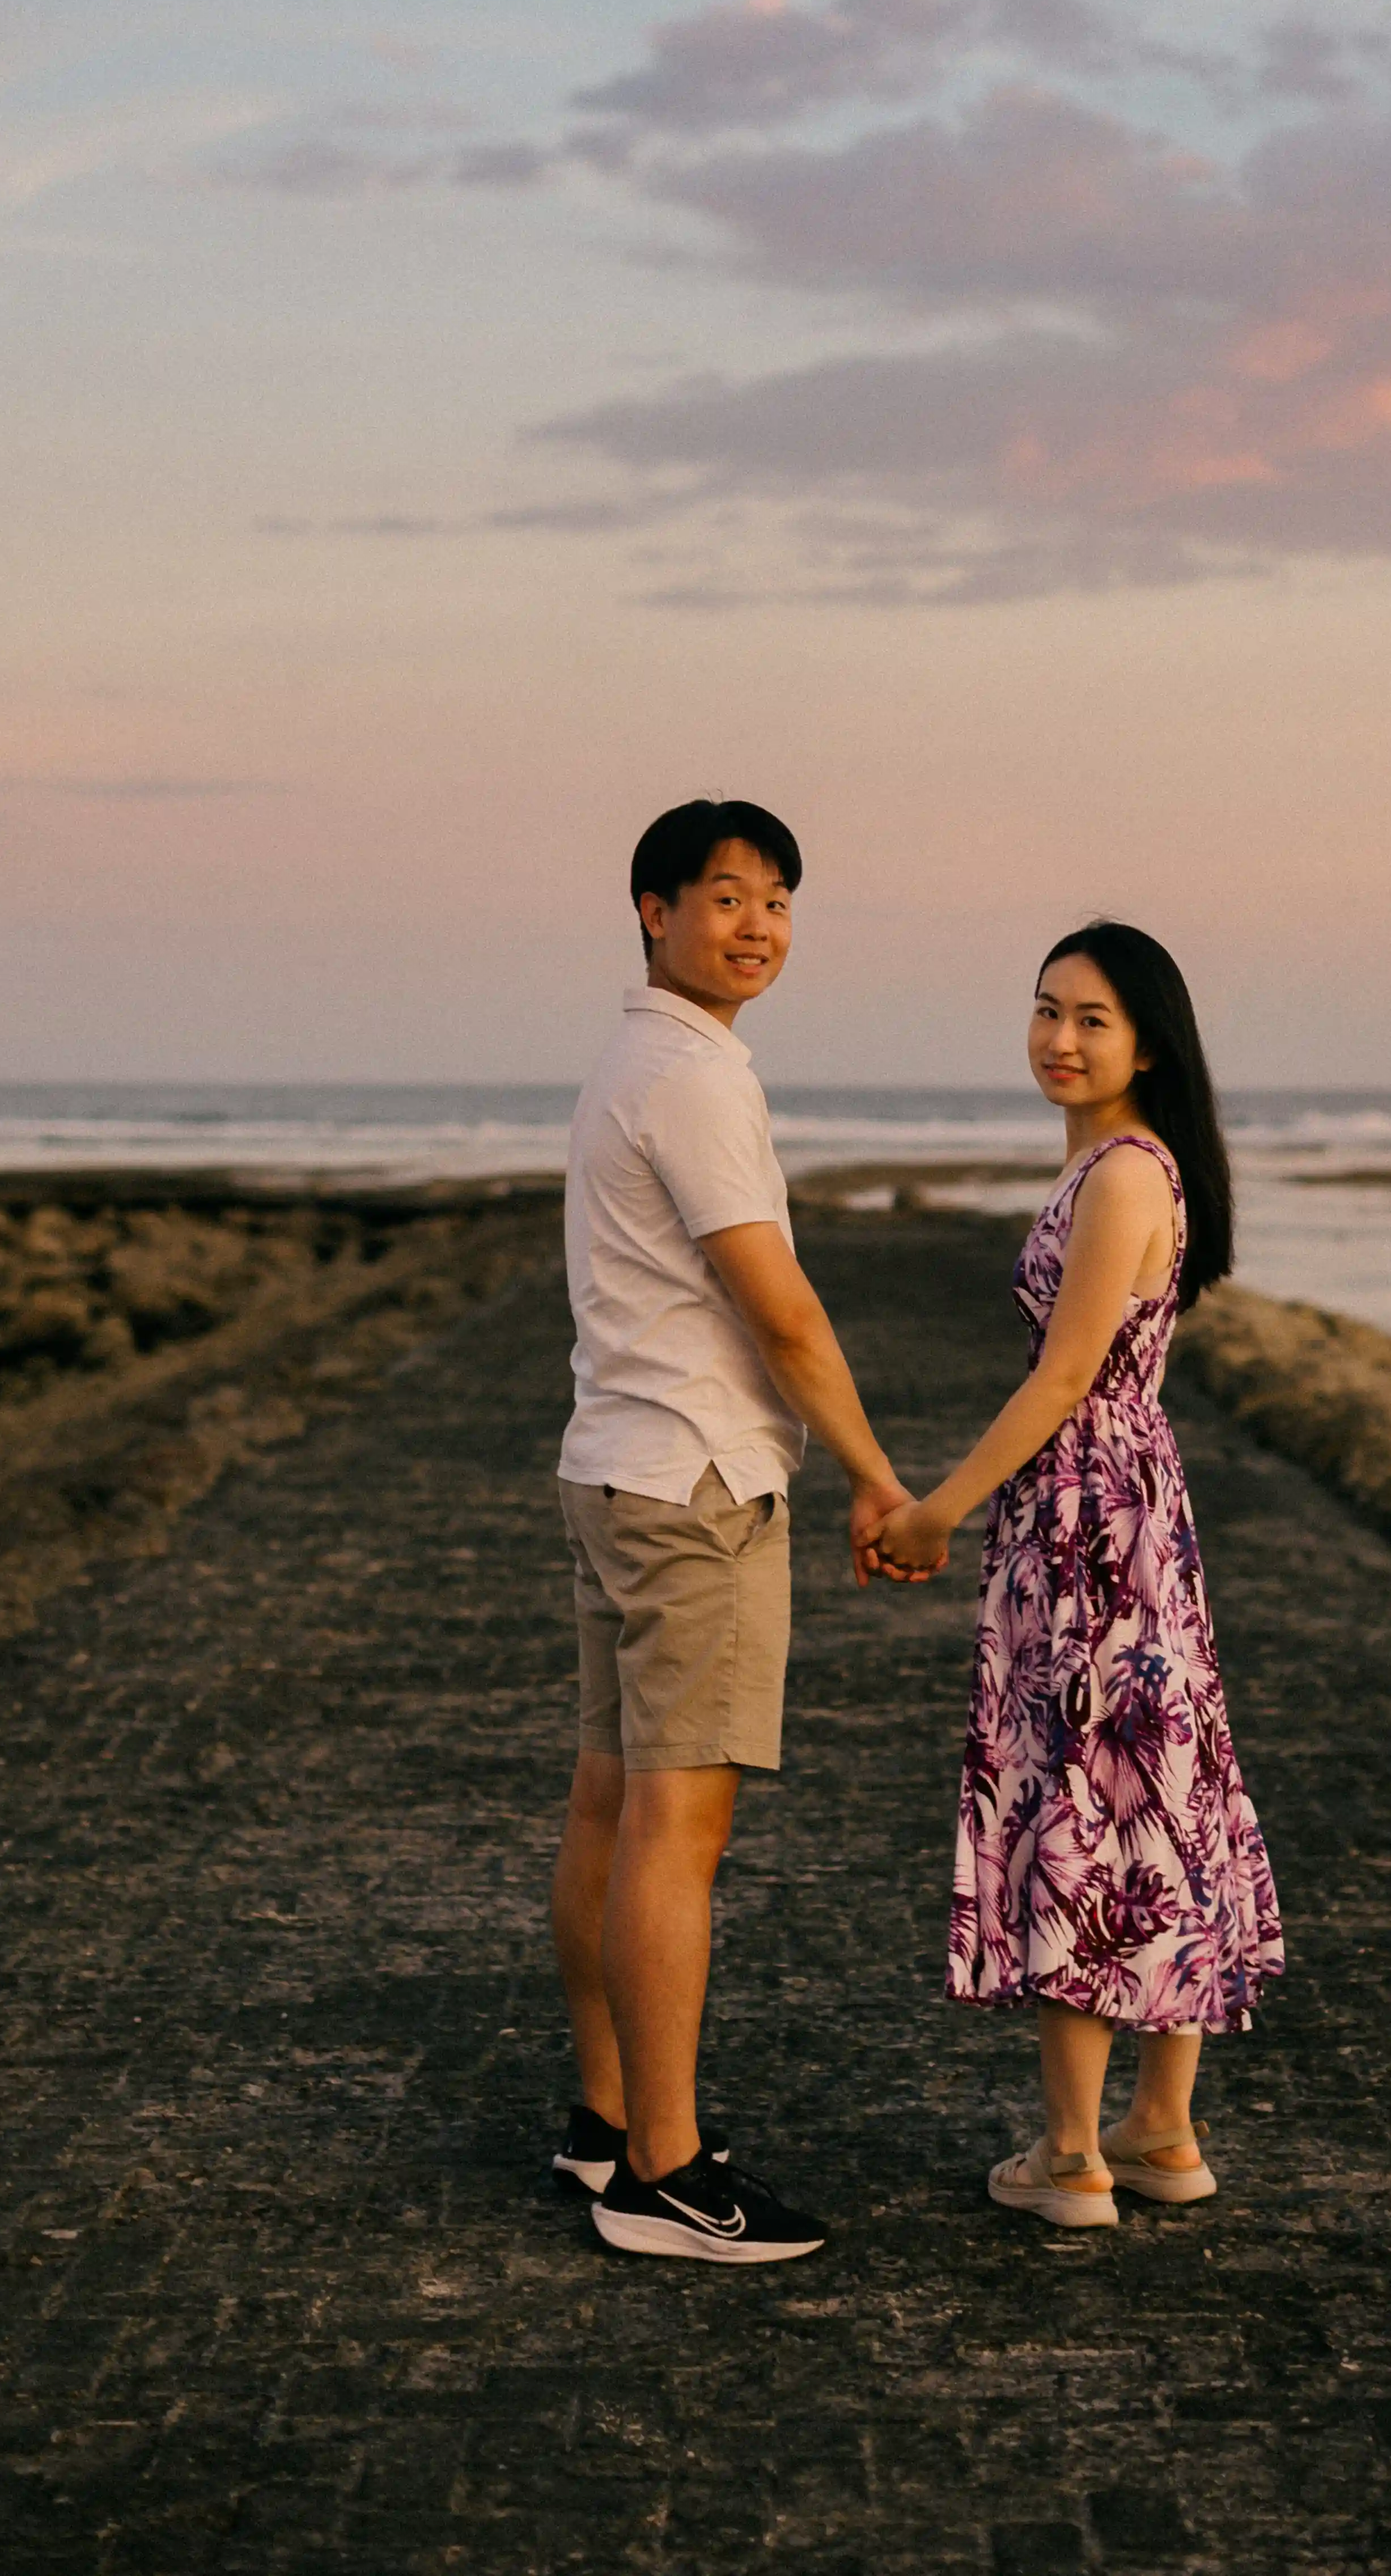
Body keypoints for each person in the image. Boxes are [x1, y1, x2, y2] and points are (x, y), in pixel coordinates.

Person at [873, 922, 1283, 2228]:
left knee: (1087, 1796)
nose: (1059, 1036)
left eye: (1092, 1017)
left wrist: (937, 1504)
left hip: (1090, 1514)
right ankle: (1160, 2129)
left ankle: (1072, 2156)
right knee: (1160, 1790)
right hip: (1114, 1510)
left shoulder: (1122, 1177)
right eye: (1046, 1009)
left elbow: (1064, 1380)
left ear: (1149, 1040)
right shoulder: (1122, 1167)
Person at [550, 798, 910, 2264]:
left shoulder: (636, 1061)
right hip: (692, 1488)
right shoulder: (690, 1079)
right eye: (723, 896)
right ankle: (664, 2168)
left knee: (608, 1804)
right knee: (672, 1831)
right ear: (651, 908)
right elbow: (781, 1307)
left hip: (615, 1467)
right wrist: (878, 1477)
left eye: (776, 901)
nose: (756, 925)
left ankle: (601, 2119)